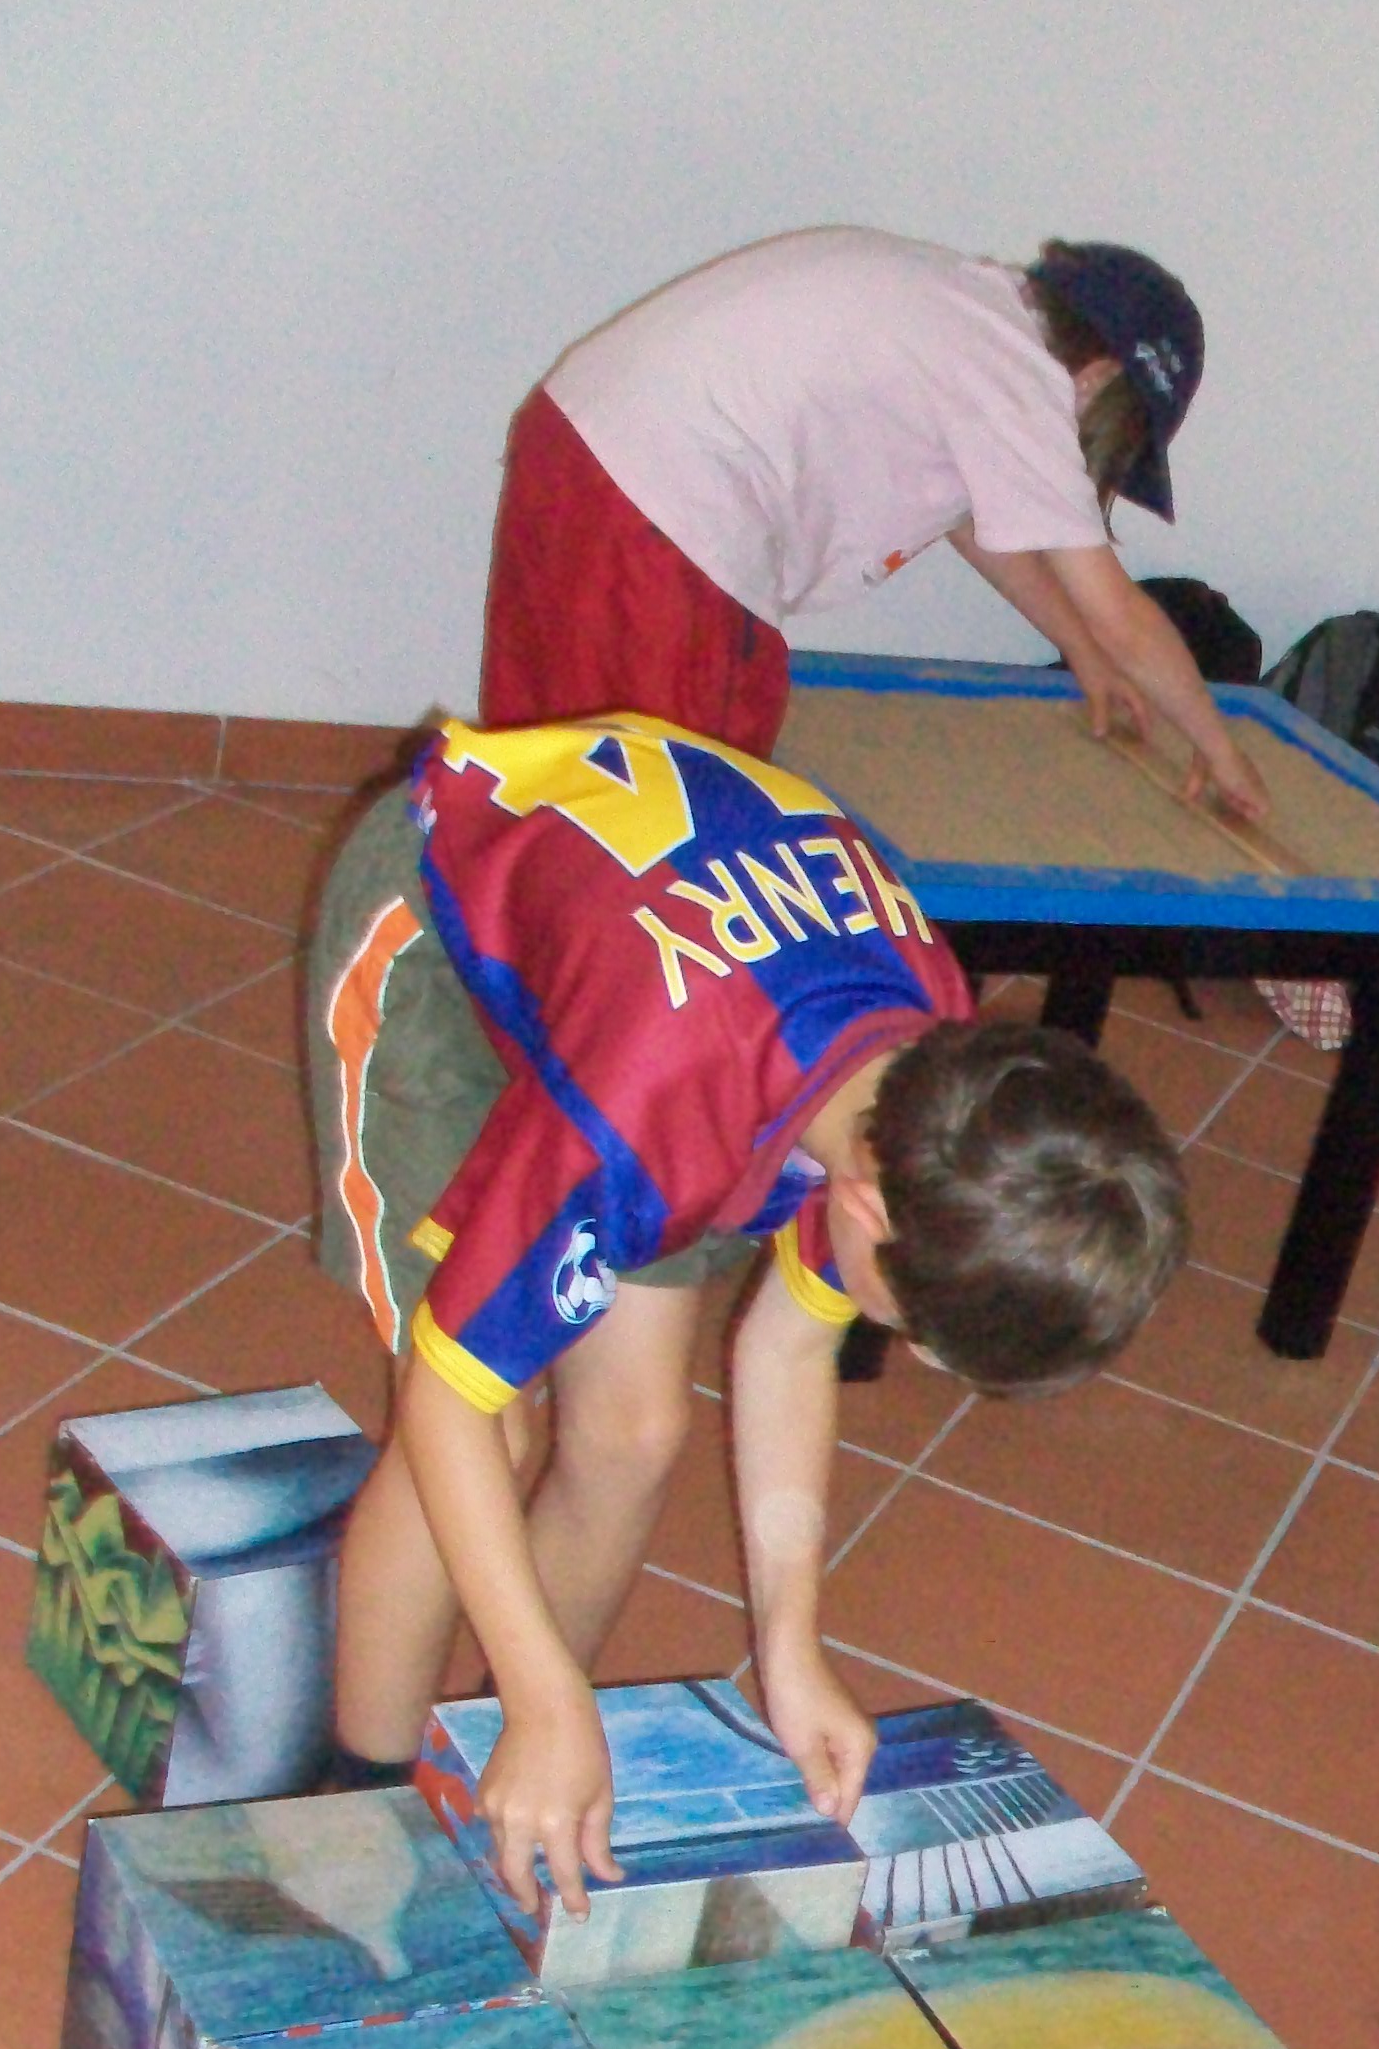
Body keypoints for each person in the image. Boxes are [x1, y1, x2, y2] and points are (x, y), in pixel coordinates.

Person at [307, 709, 1187, 1919]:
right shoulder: (647, 1114)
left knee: (634, 1432)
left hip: (673, 1007)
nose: (905, 1350)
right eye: (914, 1333)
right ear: (864, 1208)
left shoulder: (929, 1097)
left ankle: (503, 1761)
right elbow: (446, 1402)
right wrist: (554, 1694)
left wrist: (791, 1649)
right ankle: (349, 1795)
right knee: (488, 1428)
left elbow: (788, 1346)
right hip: (439, 932)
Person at [478, 225, 1271, 825]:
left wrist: (1082, 653)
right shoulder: (1016, 370)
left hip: (576, 442)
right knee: (673, 812)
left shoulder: (968, 311)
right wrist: (1218, 747)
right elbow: (1121, 611)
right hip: (663, 508)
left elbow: (977, 525)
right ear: (1098, 378)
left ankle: (516, 967)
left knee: (555, 775)